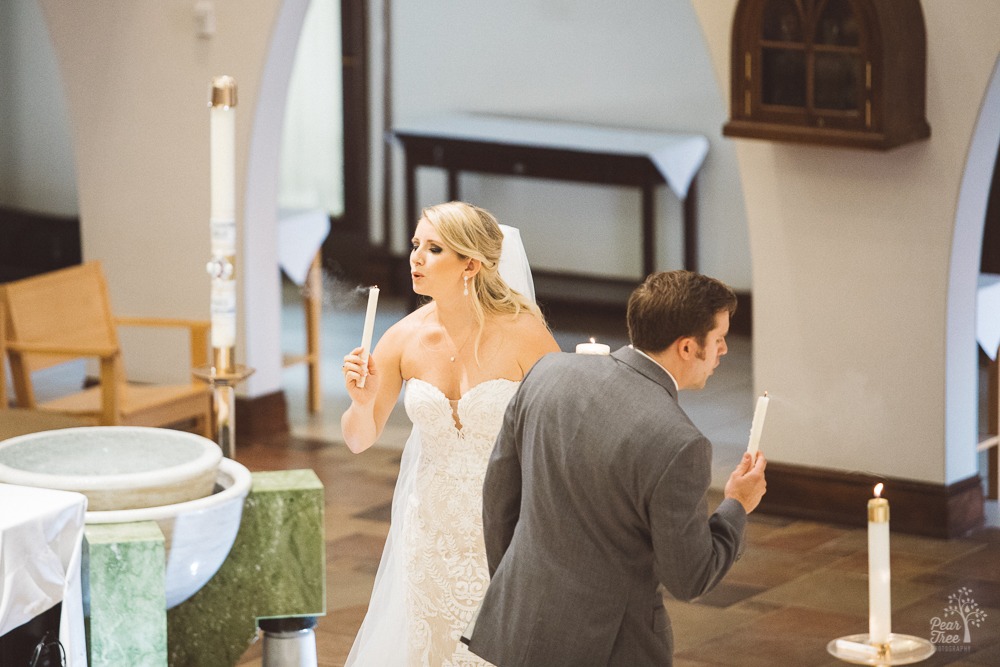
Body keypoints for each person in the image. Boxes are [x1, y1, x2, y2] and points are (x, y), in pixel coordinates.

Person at [465, 270, 768, 667]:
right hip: (614, 647)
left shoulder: (547, 373)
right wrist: (736, 505)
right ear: (688, 348)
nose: (724, 351)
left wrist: (517, 587)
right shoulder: (680, 443)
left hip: (520, 624)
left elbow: (498, 500)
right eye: (719, 339)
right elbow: (690, 576)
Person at [340, 201, 560, 666]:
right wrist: (361, 402)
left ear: (471, 264)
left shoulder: (524, 334)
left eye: (434, 248)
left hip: (505, 523)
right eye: (416, 245)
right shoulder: (402, 337)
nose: (416, 257)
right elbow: (358, 439)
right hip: (430, 531)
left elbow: (558, 431)